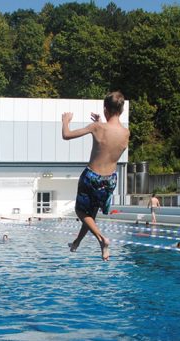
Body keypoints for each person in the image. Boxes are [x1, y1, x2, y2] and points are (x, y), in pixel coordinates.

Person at [63, 91, 129, 261]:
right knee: (90, 215)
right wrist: (101, 122)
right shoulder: (125, 132)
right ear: (121, 111)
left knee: (80, 210)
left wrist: (65, 122)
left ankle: (102, 239)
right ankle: (77, 242)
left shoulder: (97, 128)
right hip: (110, 180)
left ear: (105, 109)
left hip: (92, 176)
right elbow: (108, 142)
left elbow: (66, 135)